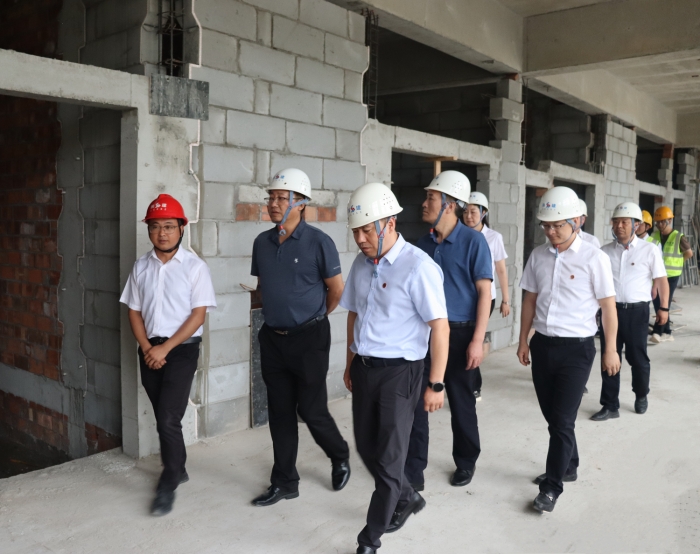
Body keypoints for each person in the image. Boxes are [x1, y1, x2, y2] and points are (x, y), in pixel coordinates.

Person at [341, 182, 450, 553]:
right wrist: (350, 362)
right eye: (355, 232)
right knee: (366, 447)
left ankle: (369, 540)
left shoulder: (418, 267)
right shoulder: (360, 264)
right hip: (365, 368)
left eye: (366, 230)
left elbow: (440, 328)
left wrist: (436, 383)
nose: (360, 239)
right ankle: (407, 495)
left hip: (401, 373)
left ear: (389, 223)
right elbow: (354, 314)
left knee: (389, 457)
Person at [250, 168, 350, 507]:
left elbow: (336, 291)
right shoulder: (262, 242)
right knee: (280, 411)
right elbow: (263, 286)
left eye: (282, 197)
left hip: (309, 338)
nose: (273, 203)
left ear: (301, 203)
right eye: (271, 197)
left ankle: (339, 454)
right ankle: (285, 482)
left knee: (310, 408)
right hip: (272, 339)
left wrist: (315, 316)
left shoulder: (320, 242)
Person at [517, 186, 620, 514]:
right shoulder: (538, 255)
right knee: (553, 418)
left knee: (562, 421)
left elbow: (608, 307)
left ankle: (551, 487)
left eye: (557, 225)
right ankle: (569, 465)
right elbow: (529, 300)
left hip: (577, 350)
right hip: (542, 345)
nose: (550, 232)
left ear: (576, 221)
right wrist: (522, 339)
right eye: (546, 225)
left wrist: (611, 350)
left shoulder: (594, 257)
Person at [120, 194, 217, 516]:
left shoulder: (195, 267)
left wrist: (165, 348)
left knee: (167, 417)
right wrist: (149, 348)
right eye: (156, 226)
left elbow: (198, 316)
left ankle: (169, 480)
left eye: (169, 226)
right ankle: (180, 466)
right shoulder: (141, 267)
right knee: (164, 415)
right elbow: (134, 311)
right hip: (149, 350)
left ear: (181, 229)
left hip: (181, 351)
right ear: (149, 230)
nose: (162, 233)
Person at [403, 171, 491, 495]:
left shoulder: (474, 242)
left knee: (461, 400)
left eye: (431, 198)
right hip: (426, 335)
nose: (424, 203)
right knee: (417, 401)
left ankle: (466, 460)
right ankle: (414, 470)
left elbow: (485, 293)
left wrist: (478, 340)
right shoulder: (422, 244)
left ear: (450, 205)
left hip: (461, 333)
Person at [591, 202, 669, 421]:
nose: (619, 226)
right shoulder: (604, 252)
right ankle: (610, 405)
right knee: (609, 356)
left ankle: (641, 394)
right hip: (611, 312)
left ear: (636, 225)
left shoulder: (649, 250)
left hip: (637, 313)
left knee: (638, 358)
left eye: (625, 222)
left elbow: (662, 280)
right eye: (616, 222)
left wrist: (663, 308)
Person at [463, 189, 509, 400]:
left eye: (473, 212)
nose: (468, 216)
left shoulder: (493, 237)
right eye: (465, 211)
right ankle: (465, 382)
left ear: (483, 213)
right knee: (463, 339)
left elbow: (501, 270)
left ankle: (474, 386)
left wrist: (506, 299)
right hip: (463, 296)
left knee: (472, 338)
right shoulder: (459, 235)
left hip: (485, 297)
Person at [648, 206, 693, 343]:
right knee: (657, 301)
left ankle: (658, 331)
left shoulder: (678, 236)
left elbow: (689, 253)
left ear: (669, 221)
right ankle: (667, 332)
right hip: (658, 274)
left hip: (672, 275)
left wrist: (679, 262)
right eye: (658, 222)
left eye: (662, 221)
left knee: (664, 302)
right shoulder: (654, 235)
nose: (660, 224)